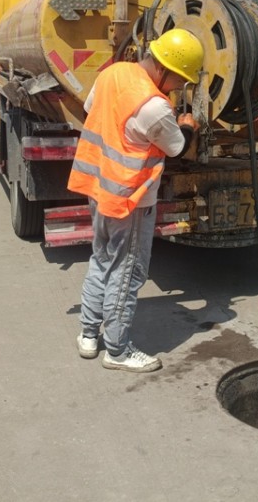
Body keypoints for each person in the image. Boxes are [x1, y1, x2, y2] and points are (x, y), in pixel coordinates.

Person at [68, 28, 204, 372]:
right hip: (129, 200)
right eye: (180, 79)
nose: (179, 86)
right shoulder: (154, 106)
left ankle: (88, 335)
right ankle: (117, 350)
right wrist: (188, 125)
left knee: (102, 260)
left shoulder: (113, 73)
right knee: (127, 272)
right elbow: (177, 147)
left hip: (100, 187)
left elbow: (91, 107)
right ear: (164, 68)